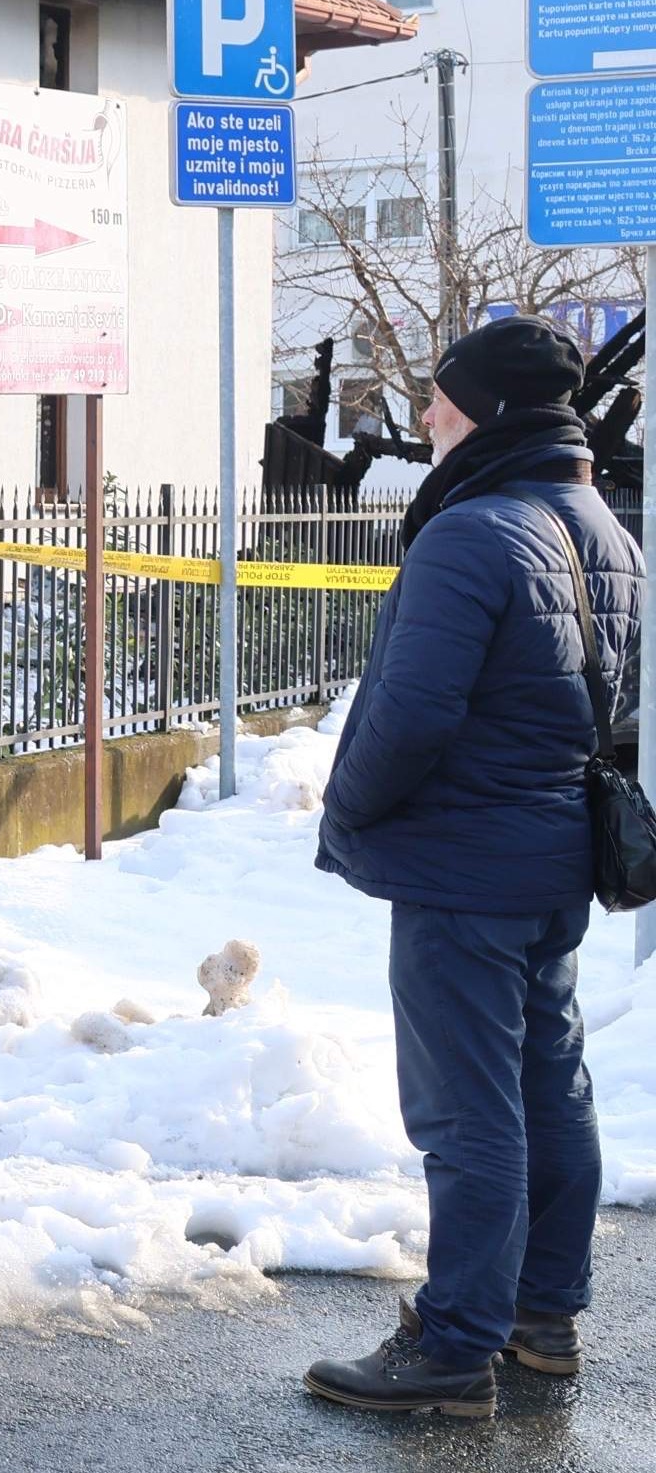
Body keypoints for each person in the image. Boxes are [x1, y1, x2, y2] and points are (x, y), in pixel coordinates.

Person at [308, 316, 642, 1419]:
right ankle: (540, 1319)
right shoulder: (603, 524)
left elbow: (410, 715)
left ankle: (454, 1345)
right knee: (552, 1082)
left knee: (468, 1111)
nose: (428, 422)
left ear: (489, 411)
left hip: (462, 866)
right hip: (552, 861)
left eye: (443, 403)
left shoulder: (471, 532)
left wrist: (346, 804)